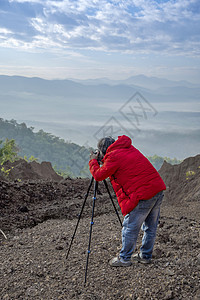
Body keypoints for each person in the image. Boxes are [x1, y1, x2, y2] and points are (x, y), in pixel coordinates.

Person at [89, 135, 166, 267]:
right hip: (157, 189)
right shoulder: (127, 148)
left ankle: (124, 258)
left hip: (143, 195)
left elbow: (99, 175)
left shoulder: (113, 156)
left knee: (130, 228)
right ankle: (145, 256)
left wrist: (93, 162)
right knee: (150, 227)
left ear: (103, 150)